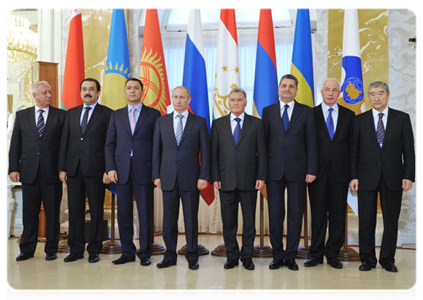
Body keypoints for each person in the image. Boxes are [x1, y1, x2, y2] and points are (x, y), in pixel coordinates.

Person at [350, 81, 415, 273]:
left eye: (380, 94)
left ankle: (387, 259)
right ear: (368, 97)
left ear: (387, 95)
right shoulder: (359, 120)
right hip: (365, 177)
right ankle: (367, 260)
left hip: (393, 177)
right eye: (372, 94)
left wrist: (409, 176)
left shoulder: (402, 118)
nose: (376, 98)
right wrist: (353, 176)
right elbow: (353, 152)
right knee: (366, 221)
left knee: (390, 220)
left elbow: (408, 151)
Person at [262, 74, 317, 271]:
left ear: (296, 90)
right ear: (278, 89)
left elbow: (311, 142)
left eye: (291, 86)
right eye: (284, 86)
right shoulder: (267, 111)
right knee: (275, 214)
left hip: (299, 172)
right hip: (273, 171)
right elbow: (264, 143)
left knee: (295, 214)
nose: (287, 89)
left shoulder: (307, 112)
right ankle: (277, 255)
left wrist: (311, 169)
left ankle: (291, 256)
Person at [152, 86, 210, 271]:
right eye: (175, 97)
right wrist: (156, 175)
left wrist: (204, 176)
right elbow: (156, 151)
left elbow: (206, 153)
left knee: (190, 219)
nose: (178, 100)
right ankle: (169, 256)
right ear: (172, 98)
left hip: (191, 179)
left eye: (182, 97)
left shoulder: (199, 122)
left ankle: (192, 255)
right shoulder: (161, 121)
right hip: (168, 177)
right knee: (169, 220)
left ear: (189, 99)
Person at [105, 78, 161, 266]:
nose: (132, 91)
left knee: (145, 213)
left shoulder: (154, 114)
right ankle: (127, 251)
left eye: (136, 88)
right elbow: (109, 144)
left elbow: (157, 146)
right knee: (124, 213)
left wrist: (156, 172)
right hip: (121, 171)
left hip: (144, 170)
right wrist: (110, 168)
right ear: (124, 92)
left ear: (142, 92)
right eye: (129, 88)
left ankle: (145, 252)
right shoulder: (116, 115)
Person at [9, 81, 66, 261]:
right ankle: (27, 249)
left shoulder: (61, 116)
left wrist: (62, 169)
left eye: (50, 92)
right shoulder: (21, 116)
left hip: (52, 173)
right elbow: (15, 144)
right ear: (34, 95)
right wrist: (13, 168)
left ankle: (51, 249)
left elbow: (64, 146)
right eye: (44, 92)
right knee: (30, 213)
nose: (49, 95)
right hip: (29, 172)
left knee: (52, 213)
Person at [211, 88, 266, 271]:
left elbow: (262, 154)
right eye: (232, 100)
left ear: (245, 102)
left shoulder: (256, 124)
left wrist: (261, 176)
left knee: (249, 223)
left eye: (239, 99)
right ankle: (232, 256)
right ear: (228, 103)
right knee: (229, 222)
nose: (235, 102)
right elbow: (214, 154)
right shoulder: (218, 124)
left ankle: (247, 257)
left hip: (250, 180)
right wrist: (215, 177)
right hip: (225, 180)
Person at [58, 78, 112, 263]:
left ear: (98, 93)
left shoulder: (107, 114)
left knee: (96, 210)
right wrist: (62, 168)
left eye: (91, 89)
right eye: (84, 89)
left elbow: (109, 144)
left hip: (97, 170)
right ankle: (76, 249)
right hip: (73, 169)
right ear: (80, 92)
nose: (87, 92)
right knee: (75, 210)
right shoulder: (71, 113)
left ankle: (95, 249)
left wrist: (108, 169)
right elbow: (64, 142)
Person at [305, 79, 355, 269]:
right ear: (321, 91)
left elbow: (353, 148)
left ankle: (333, 254)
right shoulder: (311, 114)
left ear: (339, 93)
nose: (331, 93)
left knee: (337, 216)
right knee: (318, 216)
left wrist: (353, 175)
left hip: (341, 175)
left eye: (334, 90)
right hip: (316, 174)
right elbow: (306, 144)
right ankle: (316, 254)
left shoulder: (350, 116)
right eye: (327, 90)